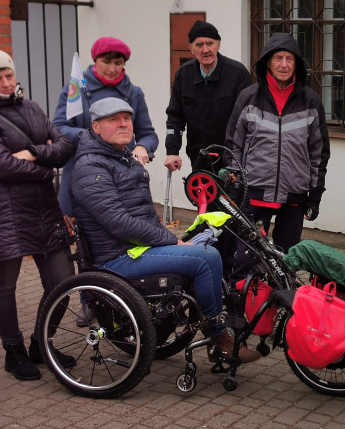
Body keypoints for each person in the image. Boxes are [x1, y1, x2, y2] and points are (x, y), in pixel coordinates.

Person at [70, 97, 260, 363]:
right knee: (206, 259)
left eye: (126, 118)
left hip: (138, 249)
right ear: (96, 127)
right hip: (117, 259)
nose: (123, 124)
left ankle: (211, 327)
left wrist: (172, 240)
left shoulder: (123, 159)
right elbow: (119, 222)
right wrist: (170, 240)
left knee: (208, 243)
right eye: (114, 120)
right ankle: (219, 339)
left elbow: (143, 216)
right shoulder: (91, 167)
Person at [0, 49, 75, 381]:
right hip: (2, 210)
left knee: (63, 280)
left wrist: (35, 152)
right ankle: (13, 352)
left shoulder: (31, 106)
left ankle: (42, 343)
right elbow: (0, 165)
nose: (5, 82)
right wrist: (45, 167)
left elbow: (66, 145)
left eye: (8, 74)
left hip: (43, 208)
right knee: (3, 285)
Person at [226, 32, 330, 279]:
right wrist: (235, 186)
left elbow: (319, 152)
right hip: (253, 194)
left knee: (287, 263)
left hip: (293, 198)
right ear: (267, 63)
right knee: (245, 259)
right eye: (278, 58)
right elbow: (233, 145)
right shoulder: (248, 97)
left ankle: (281, 312)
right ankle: (239, 313)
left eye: (289, 59)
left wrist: (314, 195)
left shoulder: (311, 101)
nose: (284, 64)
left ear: (297, 64)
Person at [53, 36, 158, 216]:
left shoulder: (134, 93)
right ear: (95, 61)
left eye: (118, 63)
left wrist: (142, 147)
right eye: (106, 62)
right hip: (81, 174)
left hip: (123, 177)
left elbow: (149, 135)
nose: (112, 69)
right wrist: (91, 137)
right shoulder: (76, 87)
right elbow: (59, 127)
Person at [164, 20, 251, 171]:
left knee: (229, 196)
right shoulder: (183, 75)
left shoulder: (238, 74)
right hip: (199, 157)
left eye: (210, 43)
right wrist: (172, 151)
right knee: (201, 194)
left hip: (233, 159)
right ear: (191, 48)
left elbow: (249, 120)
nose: (205, 50)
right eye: (199, 45)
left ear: (218, 44)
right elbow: (175, 118)